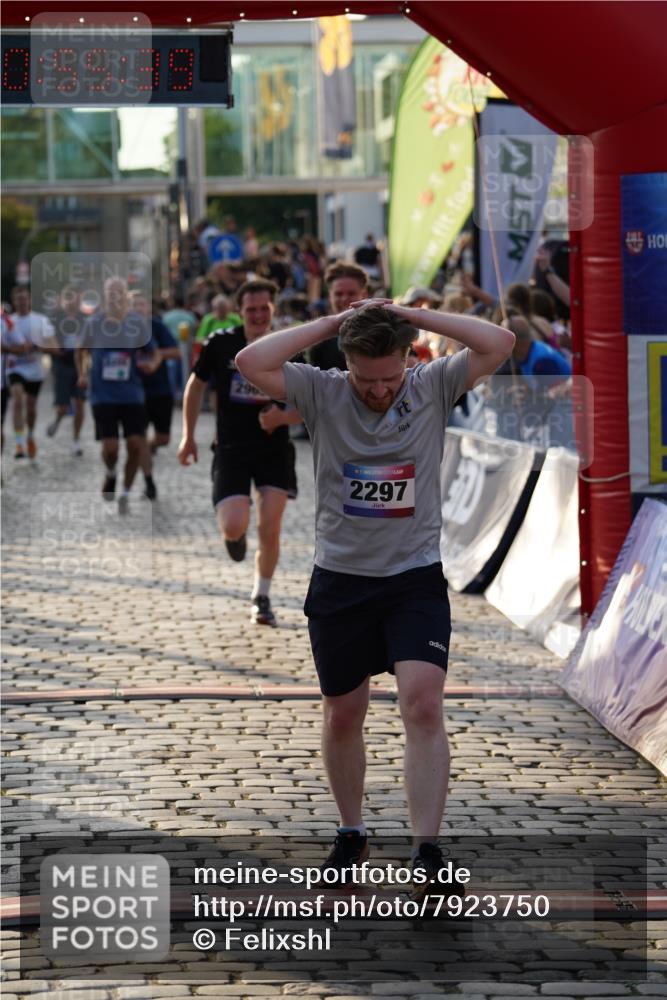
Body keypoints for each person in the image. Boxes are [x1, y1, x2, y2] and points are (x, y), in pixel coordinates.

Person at [235, 297, 515, 888]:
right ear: (347, 363)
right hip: (341, 578)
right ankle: (351, 831)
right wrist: (334, 323)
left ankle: (428, 850)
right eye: (368, 378)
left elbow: (499, 343)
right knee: (343, 714)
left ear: (408, 361)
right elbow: (250, 360)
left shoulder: (432, 384)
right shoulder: (322, 390)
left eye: (390, 377)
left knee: (423, 702)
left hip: (413, 576)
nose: (381, 391)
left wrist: (416, 314)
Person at [177, 279, 303, 627]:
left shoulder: (289, 345)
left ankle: (261, 596)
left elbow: (320, 399)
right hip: (231, 448)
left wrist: (284, 416)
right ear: (239, 311)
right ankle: (235, 535)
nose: (259, 315)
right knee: (235, 526)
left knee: (270, 527)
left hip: (275, 449)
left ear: (274, 309)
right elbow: (195, 385)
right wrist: (188, 437)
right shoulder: (221, 344)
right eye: (251, 309)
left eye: (265, 308)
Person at [76, 278, 158, 515]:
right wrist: (82, 374)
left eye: (119, 294)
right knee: (110, 448)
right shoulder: (94, 322)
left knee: (134, 445)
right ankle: (111, 473)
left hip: (132, 394)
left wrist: (151, 364)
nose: (115, 298)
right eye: (111, 294)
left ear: (125, 297)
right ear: (105, 297)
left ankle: (124, 492)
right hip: (102, 395)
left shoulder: (137, 323)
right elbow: (81, 350)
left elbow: (153, 352)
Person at [129, 292, 181, 501]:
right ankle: (149, 483)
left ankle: (148, 448)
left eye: (142, 304)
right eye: (134, 305)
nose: (139, 308)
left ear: (149, 308)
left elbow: (176, 352)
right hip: (134, 391)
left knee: (163, 438)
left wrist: (156, 354)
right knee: (139, 437)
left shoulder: (156, 326)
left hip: (159, 389)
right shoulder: (121, 330)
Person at [6, 286, 55, 460]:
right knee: (17, 400)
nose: (21, 302)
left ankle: (30, 436)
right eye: (18, 299)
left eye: (24, 298)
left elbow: (53, 344)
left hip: (35, 370)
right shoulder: (8, 321)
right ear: (14, 302)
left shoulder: (40, 320)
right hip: (14, 367)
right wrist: (14, 349)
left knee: (31, 407)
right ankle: (19, 443)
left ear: (30, 300)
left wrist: (37, 346)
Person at [44, 285, 87, 455]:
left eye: (76, 297)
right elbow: (47, 340)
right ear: (64, 300)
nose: (73, 301)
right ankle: (58, 419)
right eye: (70, 297)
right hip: (61, 363)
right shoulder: (56, 317)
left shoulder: (84, 318)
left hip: (80, 365)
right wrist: (55, 348)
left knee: (80, 403)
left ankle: (76, 440)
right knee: (63, 407)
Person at [305, 262, 368, 371]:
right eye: (338, 294)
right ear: (330, 296)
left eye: (351, 293)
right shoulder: (318, 342)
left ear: (364, 295)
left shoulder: (381, 331)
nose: (344, 299)